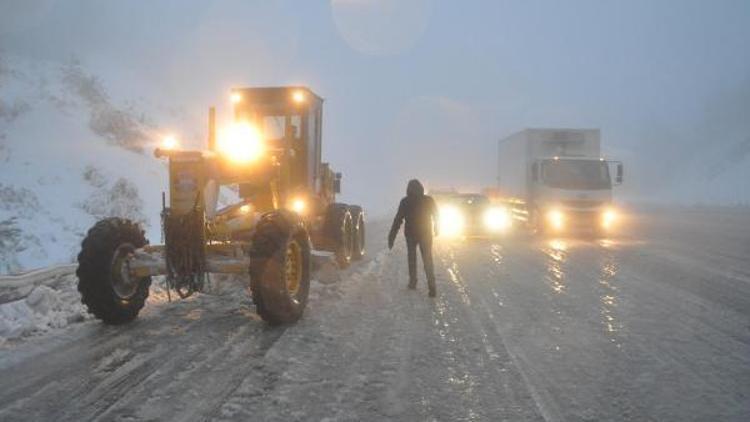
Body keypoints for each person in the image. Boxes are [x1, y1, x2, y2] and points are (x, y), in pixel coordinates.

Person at [388, 179, 439, 297]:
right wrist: (437, 227)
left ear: (408, 190)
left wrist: (391, 236)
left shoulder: (405, 201)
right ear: (421, 188)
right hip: (426, 234)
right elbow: (437, 215)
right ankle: (432, 287)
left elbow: (398, 220)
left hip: (411, 234)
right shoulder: (428, 200)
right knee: (427, 259)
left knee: (412, 258)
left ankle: (413, 282)